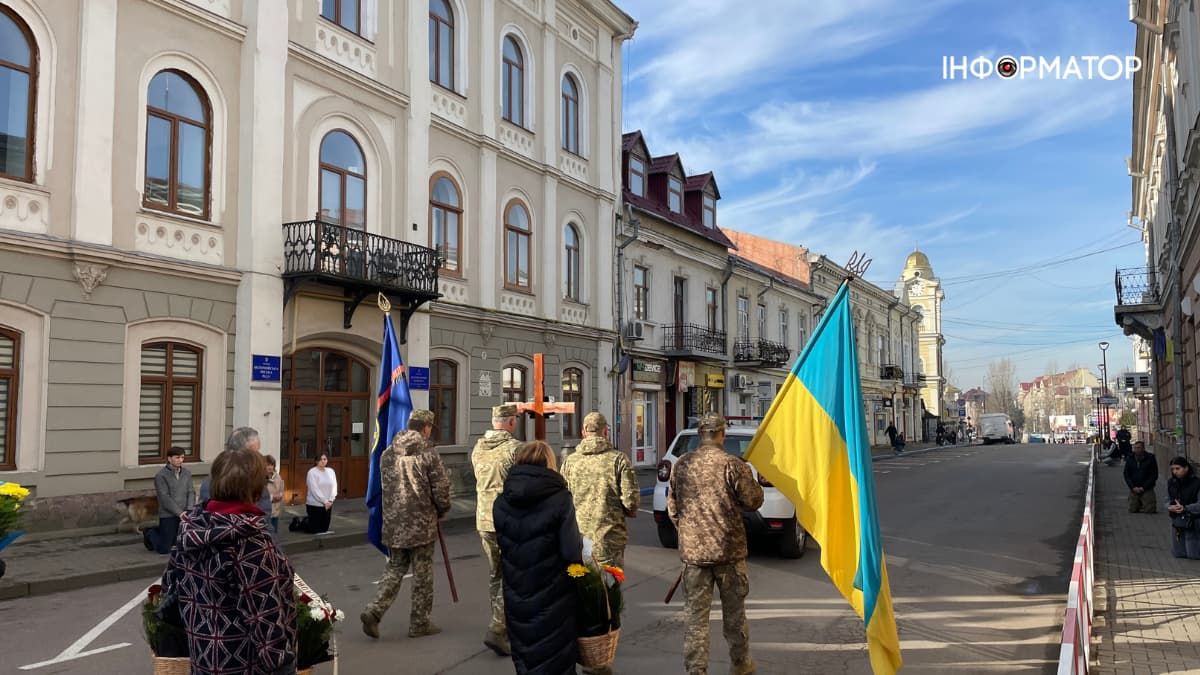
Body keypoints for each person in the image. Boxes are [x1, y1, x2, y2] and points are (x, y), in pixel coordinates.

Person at [162, 446, 296, 674]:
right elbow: (266, 617)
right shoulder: (251, 541)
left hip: (204, 659)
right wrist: (284, 665)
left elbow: (170, 588)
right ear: (255, 488)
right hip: (245, 664)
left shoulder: (192, 527)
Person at [667, 413, 763, 675]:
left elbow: (673, 509)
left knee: (696, 619)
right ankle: (741, 664)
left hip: (695, 557)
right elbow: (754, 501)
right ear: (722, 434)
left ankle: (696, 669)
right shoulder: (732, 464)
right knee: (734, 616)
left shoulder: (682, 464)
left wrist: (690, 534)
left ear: (700, 434)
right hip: (728, 554)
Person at [493, 440, 584, 675]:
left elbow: (505, 545)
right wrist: (586, 579)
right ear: (549, 463)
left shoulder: (501, 502)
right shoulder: (561, 499)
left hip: (516, 592)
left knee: (526, 657)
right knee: (556, 660)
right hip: (554, 596)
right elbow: (571, 553)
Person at [361, 410, 451, 640]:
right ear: (426, 427)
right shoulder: (428, 454)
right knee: (422, 574)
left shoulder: (388, 453)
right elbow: (440, 489)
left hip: (394, 522)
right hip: (421, 523)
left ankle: (374, 610)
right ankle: (419, 623)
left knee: (395, 568)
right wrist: (443, 509)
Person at [472, 403, 522, 656]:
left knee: (496, 574)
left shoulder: (478, 448)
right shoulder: (516, 449)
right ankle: (499, 627)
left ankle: (500, 624)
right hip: (509, 520)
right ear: (511, 422)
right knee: (514, 575)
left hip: (484, 519)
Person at [560, 412, 639, 569]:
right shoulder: (618, 459)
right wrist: (628, 510)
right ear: (605, 432)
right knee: (609, 587)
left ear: (583, 432)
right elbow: (631, 500)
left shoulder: (570, 461)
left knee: (582, 586)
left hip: (578, 537)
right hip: (609, 538)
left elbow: (562, 497)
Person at [200, 427, 273, 518]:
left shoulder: (257, 478)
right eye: (254, 452)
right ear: (238, 453)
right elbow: (206, 516)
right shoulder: (211, 482)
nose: (258, 456)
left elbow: (265, 520)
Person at [145, 446, 195, 554]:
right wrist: (179, 513)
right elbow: (164, 497)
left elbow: (191, 492)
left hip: (185, 513)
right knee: (165, 549)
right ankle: (150, 533)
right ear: (169, 459)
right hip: (168, 514)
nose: (180, 460)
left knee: (180, 546)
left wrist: (189, 509)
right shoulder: (161, 476)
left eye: (182, 457)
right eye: (177, 457)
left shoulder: (187, 473)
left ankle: (162, 531)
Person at [1167, 456, 1200, 559]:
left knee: (1193, 554)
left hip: (1193, 520)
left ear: (1186, 468)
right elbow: (1167, 499)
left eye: (1178, 468)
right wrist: (1169, 506)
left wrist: (1185, 508)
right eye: (1173, 469)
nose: (1175, 472)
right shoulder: (1171, 482)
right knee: (1179, 553)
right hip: (1177, 520)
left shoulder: (1197, 483)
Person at [301, 452, 338, 534]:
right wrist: (324, 501)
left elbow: (334, 486)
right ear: (316, 461)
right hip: (315, 504)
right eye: (320, 459)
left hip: (328, 504)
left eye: (324, 459)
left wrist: (331, 500)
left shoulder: (331, 471)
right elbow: (314, 489)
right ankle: (302, 523)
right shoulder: (312, 472)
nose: (323, 461)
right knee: (314, 530)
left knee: (324, 529)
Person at [1124, 441, 1158, 514]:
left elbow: (1154, 475)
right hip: (1134, 487)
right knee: (1132, 509)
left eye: (1138, 448)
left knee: (1150, 510)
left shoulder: (1150, 458)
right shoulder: (1130, 458)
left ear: (1143, 448)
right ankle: (1139, 504)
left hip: (1146, 487)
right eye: (1135, 448)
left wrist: (1144, 487)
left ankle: (1143, 504)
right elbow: (1126, 475)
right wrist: (1132, 487)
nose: (1136, 450)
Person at [265, 455, 285, 534]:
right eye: (268, 465)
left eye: (272, 465)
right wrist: (272, 497)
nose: (270, 467)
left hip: (276, 510)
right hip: (266, 511)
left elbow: (281, 489)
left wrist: (280, 495)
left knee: (274, 533)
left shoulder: (277, 476)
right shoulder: (260, 477)